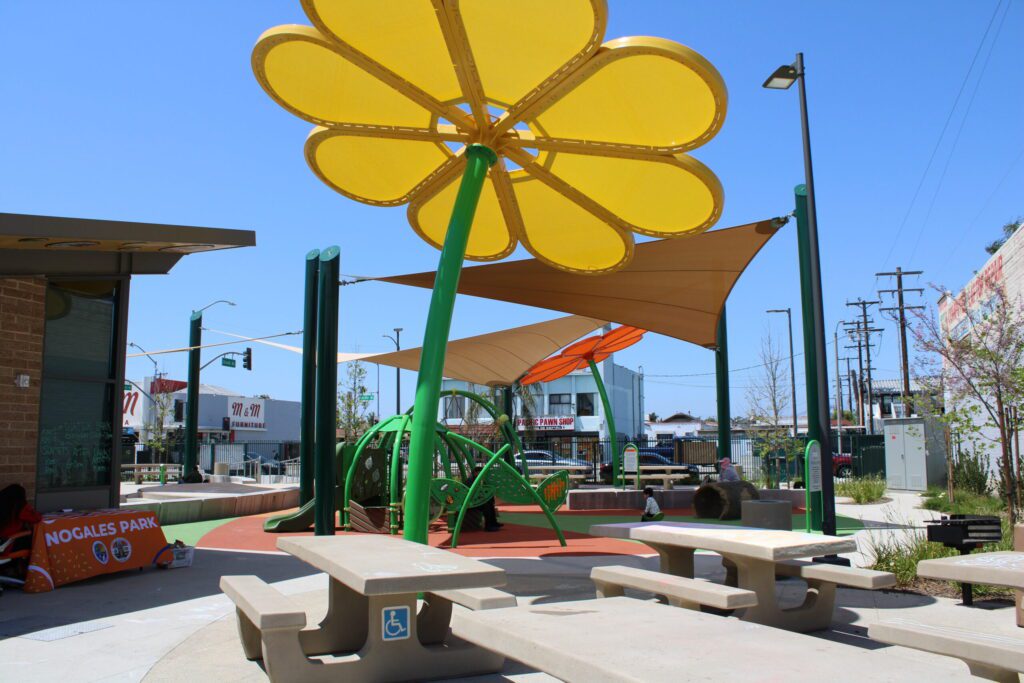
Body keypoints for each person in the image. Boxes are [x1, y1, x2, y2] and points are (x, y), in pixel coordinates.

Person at [466, 467, 502, 532]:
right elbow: (472, 494)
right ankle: (488, 526)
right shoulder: (471, 481)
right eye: (480, 472)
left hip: (475, 500)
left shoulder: (477, 480)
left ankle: (493, 522)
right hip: (471, 502)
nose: (482, 474)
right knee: (486, 506)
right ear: (475, 473)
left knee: (490, 502)